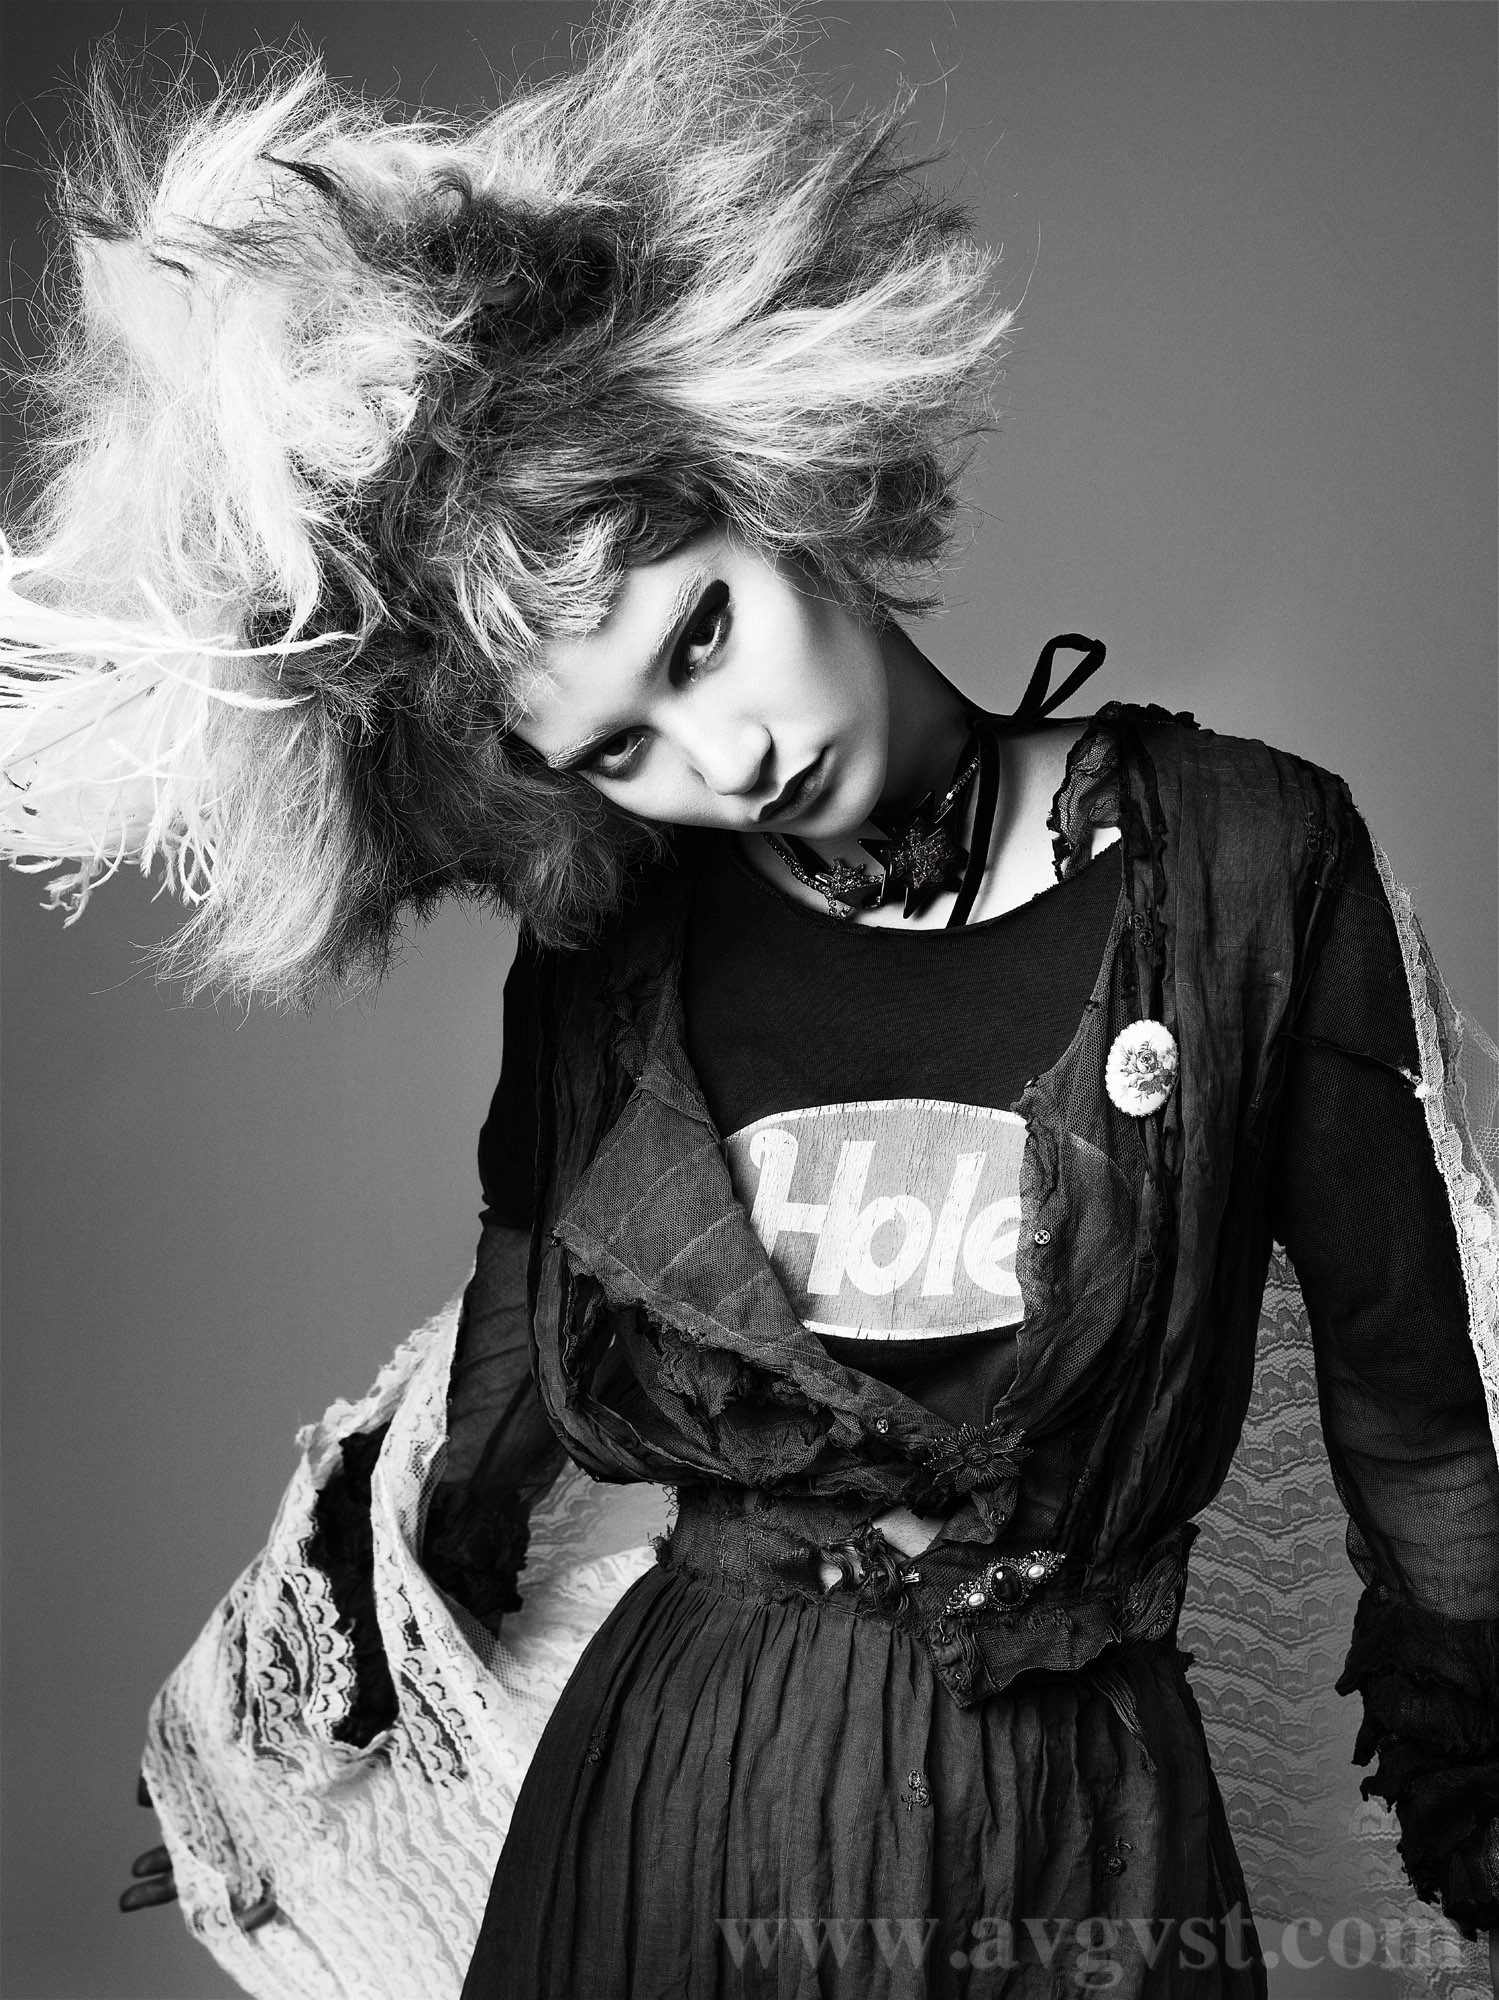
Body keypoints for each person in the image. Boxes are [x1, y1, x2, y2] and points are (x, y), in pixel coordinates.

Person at [2, 3, 1495, 1995]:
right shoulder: (613, 951)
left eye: (700, 633)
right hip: (668, 1829)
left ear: (780, 473)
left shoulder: (1245, 862)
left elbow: (1414, 1414)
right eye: (621, 745)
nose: (724, 758)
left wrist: (1478, 1786)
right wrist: (295, 1759)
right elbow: (505, 1373)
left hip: (1077, 1857)